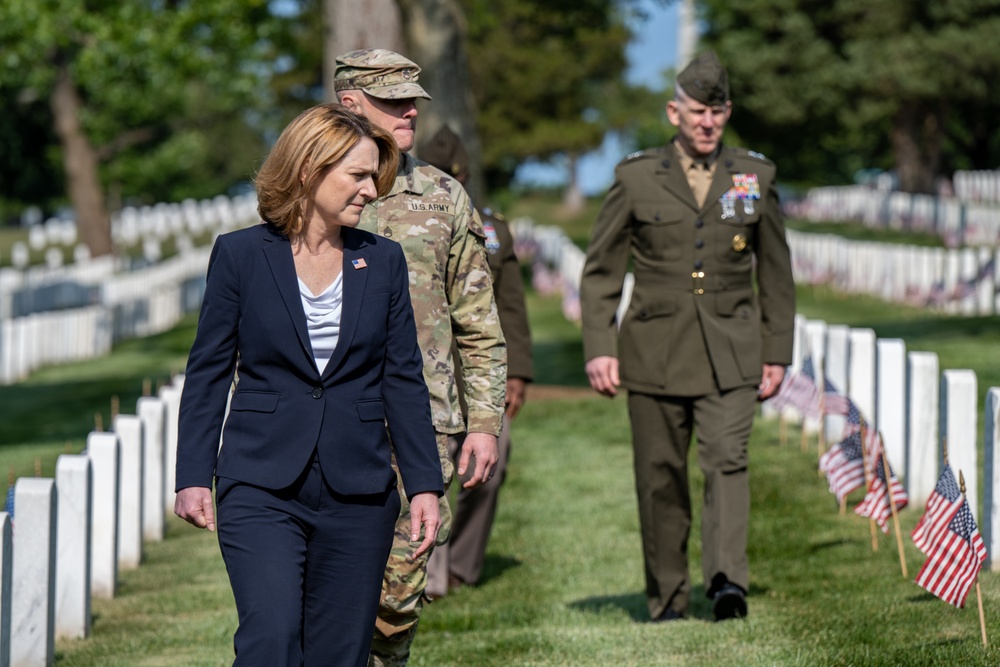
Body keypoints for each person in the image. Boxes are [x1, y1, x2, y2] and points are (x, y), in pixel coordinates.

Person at [173, 103, 443, 667]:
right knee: (269, 640)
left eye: (375, 177)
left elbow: (402, 379)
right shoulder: (240, 255)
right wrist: (193, 475)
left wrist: (423, 485)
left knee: (338, 656)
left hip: (359, 492)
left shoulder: (384, 262)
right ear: (308, 170)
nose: (372, 190)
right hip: (260, 484)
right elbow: (209, 370)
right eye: (359, 175)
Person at [579, 51, 795, 623]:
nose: (708, 123)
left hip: (734, 350)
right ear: (674, 111)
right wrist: (600, 346)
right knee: (660, 475)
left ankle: (727, 584)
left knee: (728, 462)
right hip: (654, 351)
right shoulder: (634, 176)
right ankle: (668, 596)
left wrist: (777, 352)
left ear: (727, 113)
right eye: (698, 111)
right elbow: (601, 270)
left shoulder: (754, 176)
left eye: (717, 112)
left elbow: (776, 272)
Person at [334, 50, 507, 666]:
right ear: (350, 104)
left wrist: (485, 425)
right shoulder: (306, 194)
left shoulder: (442, 196)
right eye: (392, 101)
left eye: (414, 97)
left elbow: (479, 322)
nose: (411, 110)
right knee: (325, 590)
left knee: (399, 594)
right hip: (327, 418)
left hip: (425, 424)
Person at [420, 125, 534, 596]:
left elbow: (511, 305)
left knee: (490, 467)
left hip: (481, 371)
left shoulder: (491, 229)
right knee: (431, 471)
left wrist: (519, 374)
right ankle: (429, 575)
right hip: (428, 367)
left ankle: (463, 564)